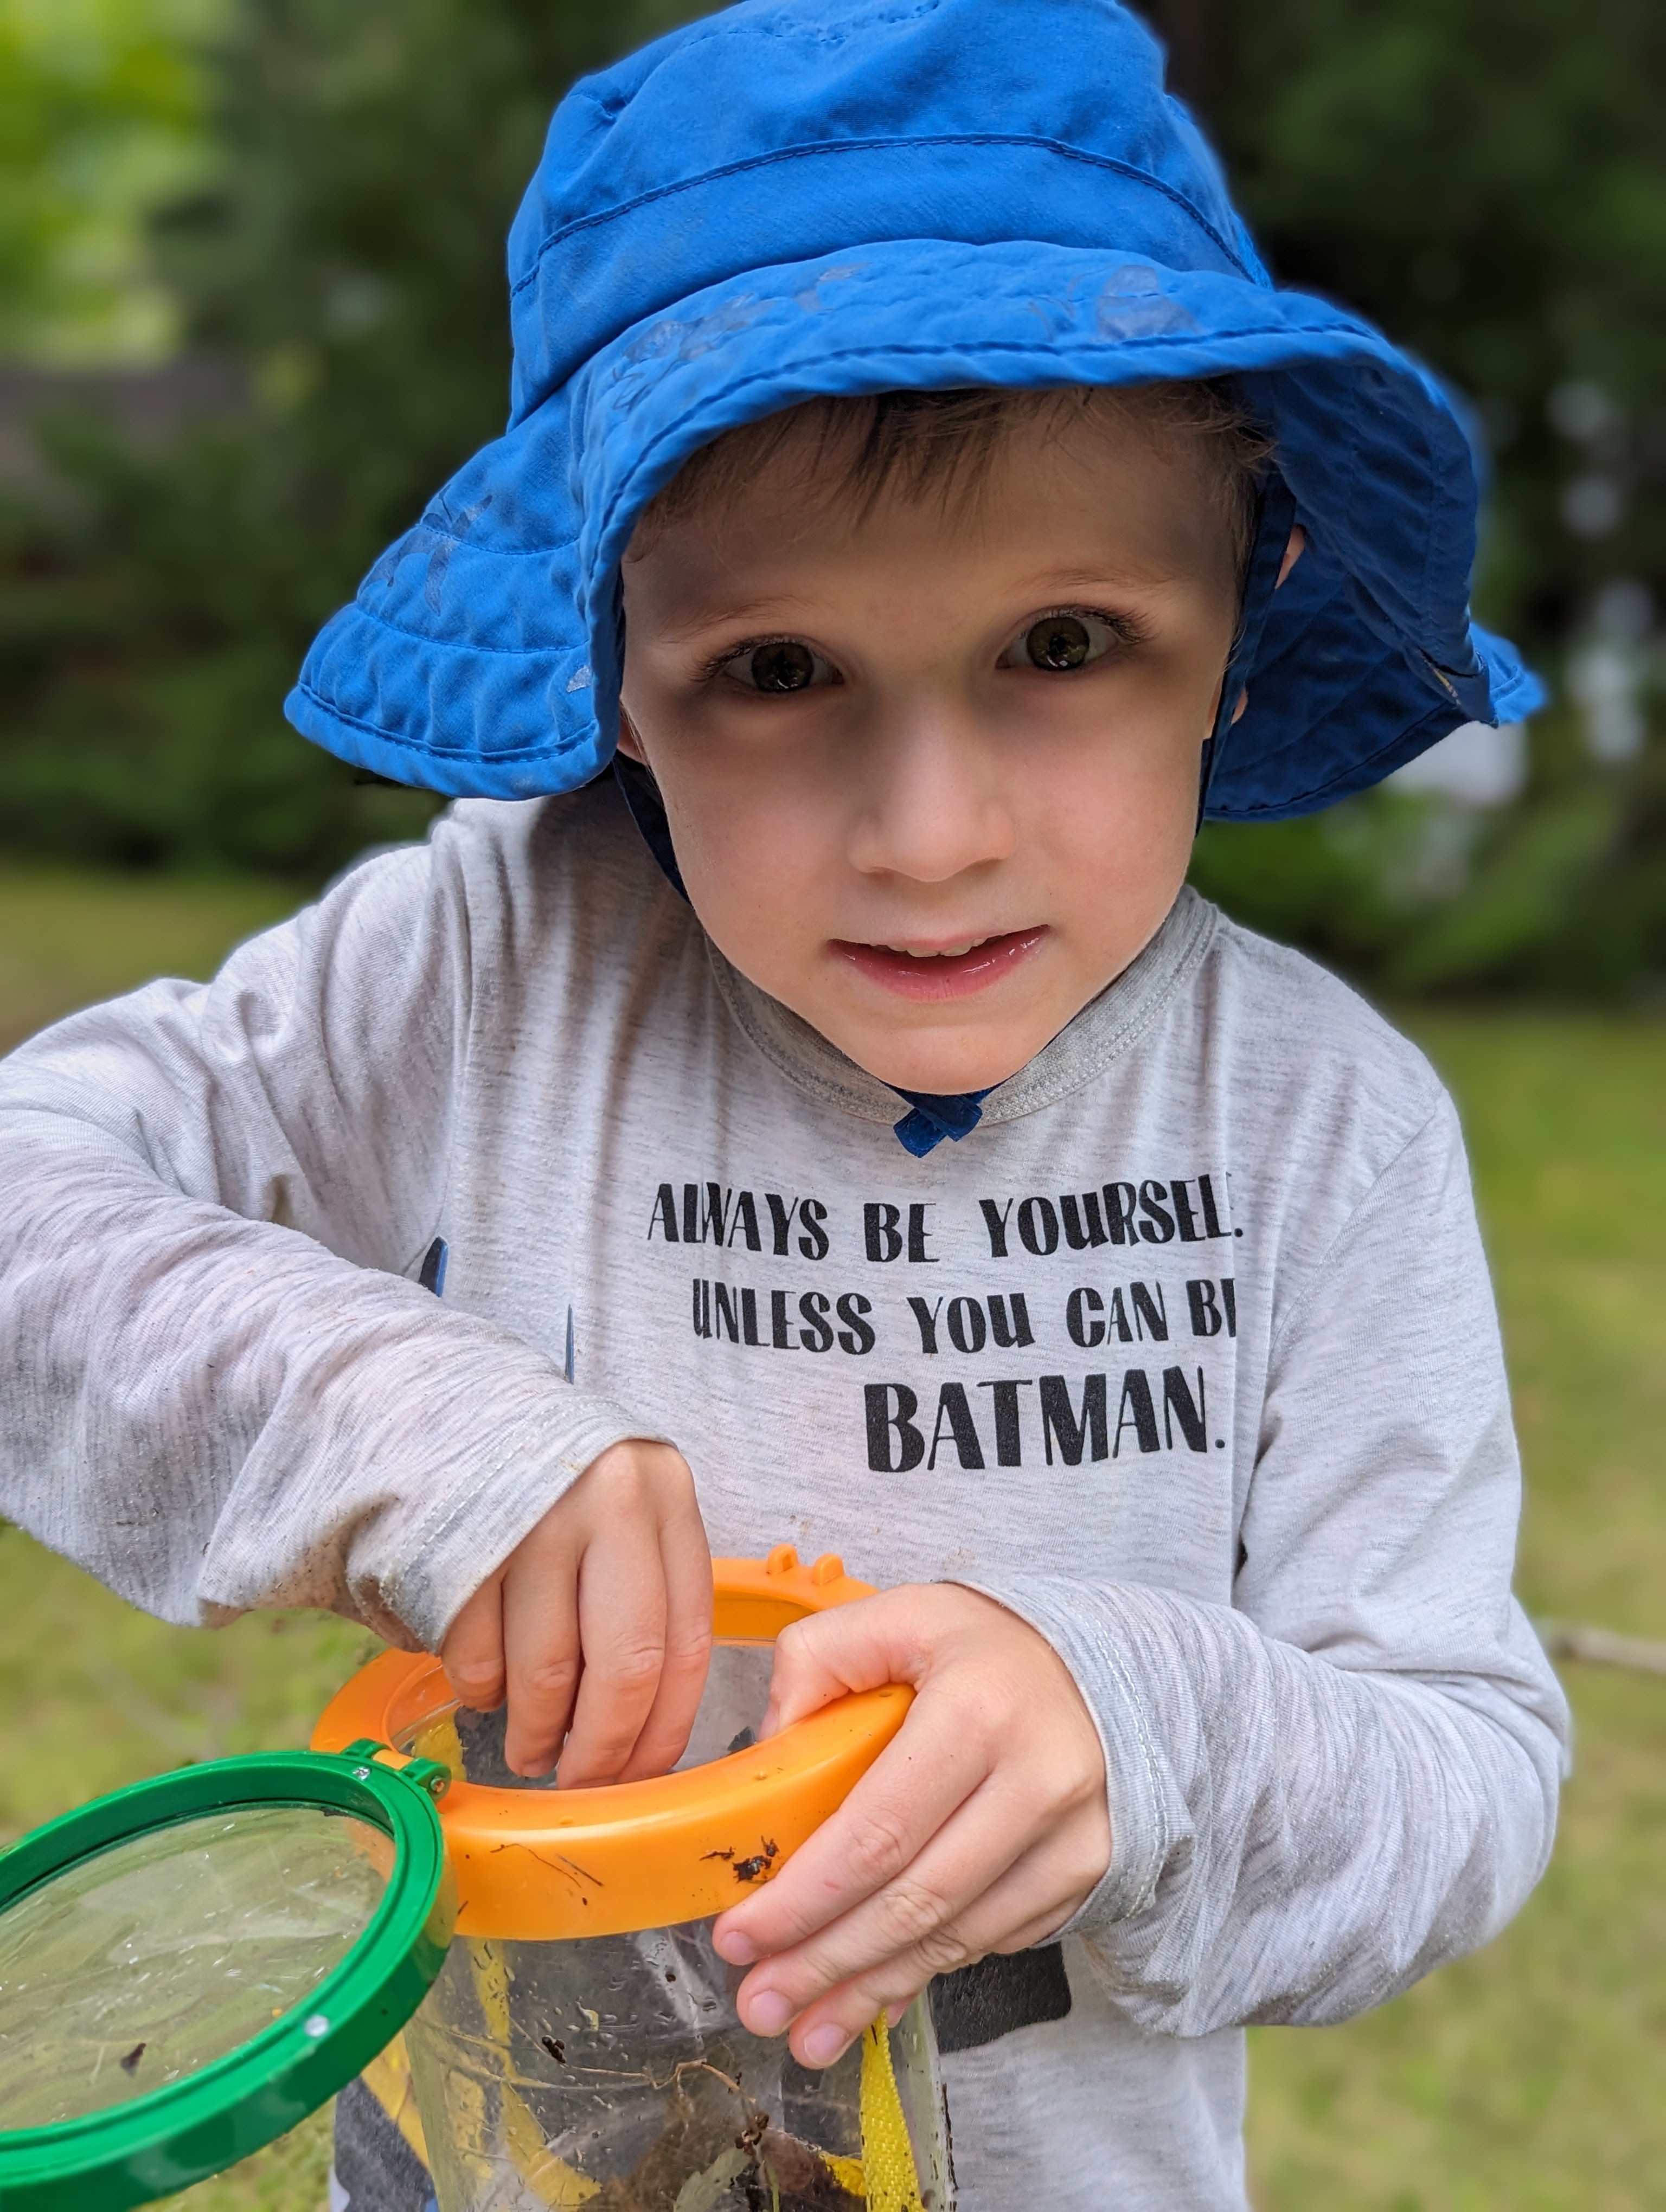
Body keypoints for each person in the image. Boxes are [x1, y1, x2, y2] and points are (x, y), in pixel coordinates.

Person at [0, 2, 1569, 2207]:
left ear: (1244, 610)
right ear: (612, 670)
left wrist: (1144, 1727)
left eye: (1061, 646)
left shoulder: (1324, 1129)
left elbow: (1462, 1769)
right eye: (775, 673)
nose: (928, 832)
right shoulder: (485, 968)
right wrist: (414, 1432)